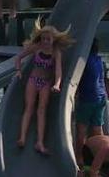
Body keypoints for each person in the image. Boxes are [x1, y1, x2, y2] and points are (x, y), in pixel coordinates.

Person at [15, 18, 74, 154]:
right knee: (29, 107)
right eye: (43, 39)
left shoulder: (56, 52)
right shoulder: (36, 48)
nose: (45, 42)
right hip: (33, 80)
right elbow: (18, 58)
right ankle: (22, 137)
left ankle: (40, 142)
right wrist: (18, 71)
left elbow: (58, 71)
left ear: (53, 40)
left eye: (48, 39)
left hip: (45, 83)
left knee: (42, 110)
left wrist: (57, 84)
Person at [74, 38, 107, 166]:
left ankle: (79, 159)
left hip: (87, 98)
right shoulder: (99, 60)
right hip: (101, 97)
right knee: (97, 130)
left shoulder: (83, 61)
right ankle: (102, 157)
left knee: (81, 131)